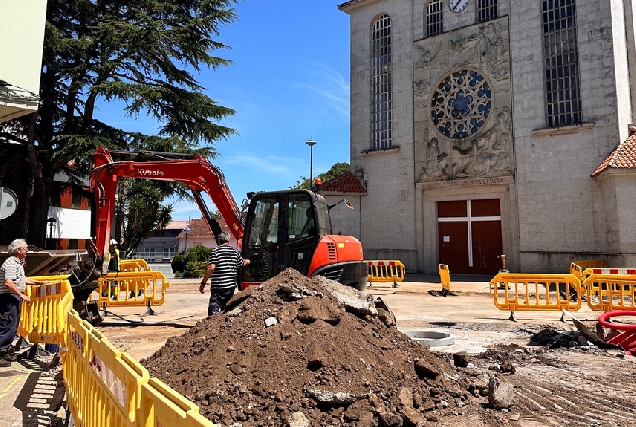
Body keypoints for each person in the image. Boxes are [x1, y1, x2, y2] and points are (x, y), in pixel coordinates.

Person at [0, 239, 44, 367]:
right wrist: (21, 295)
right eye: (25, 249)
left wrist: (39, 283)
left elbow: (21, 279)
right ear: (18, 250)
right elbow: (9, 283)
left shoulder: (17, 264)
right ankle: (1, 350)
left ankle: (5, 349)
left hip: (12, 297)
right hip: (9, 297)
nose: (27, 251)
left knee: (13, 325)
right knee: (8, 324)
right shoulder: (11, 264)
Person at [199, 232, 250, 316]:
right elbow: (243, 263)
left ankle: (212, 326)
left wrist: (203, 283)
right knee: (226, 309)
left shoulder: (215, 251)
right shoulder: (235, 252)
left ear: (218, 240)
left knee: (214, 309)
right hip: (230, 287)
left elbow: (211, 268)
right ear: (228, 240)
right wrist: (249, 261)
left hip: (218, 286)